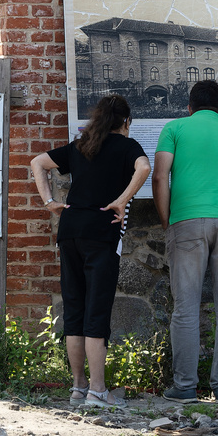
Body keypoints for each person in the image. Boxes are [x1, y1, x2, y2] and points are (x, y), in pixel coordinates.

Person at [30, 94, 151, 408]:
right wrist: (122, 200)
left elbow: (38, 163)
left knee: (75, 311)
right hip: (100, 231)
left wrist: (48, 202)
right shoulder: (128, 146)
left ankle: (79, 387)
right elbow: (144, 168)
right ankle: (98, 391)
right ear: (126, 122)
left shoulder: (81, 145)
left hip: (70, 230)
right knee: (96, 312)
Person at [153, 80, 218, 404]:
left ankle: (184, 386)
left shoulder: (175, 128)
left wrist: (168, 221)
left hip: (187, 219)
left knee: (186, 306)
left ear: (189, 107)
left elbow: (159, 175)